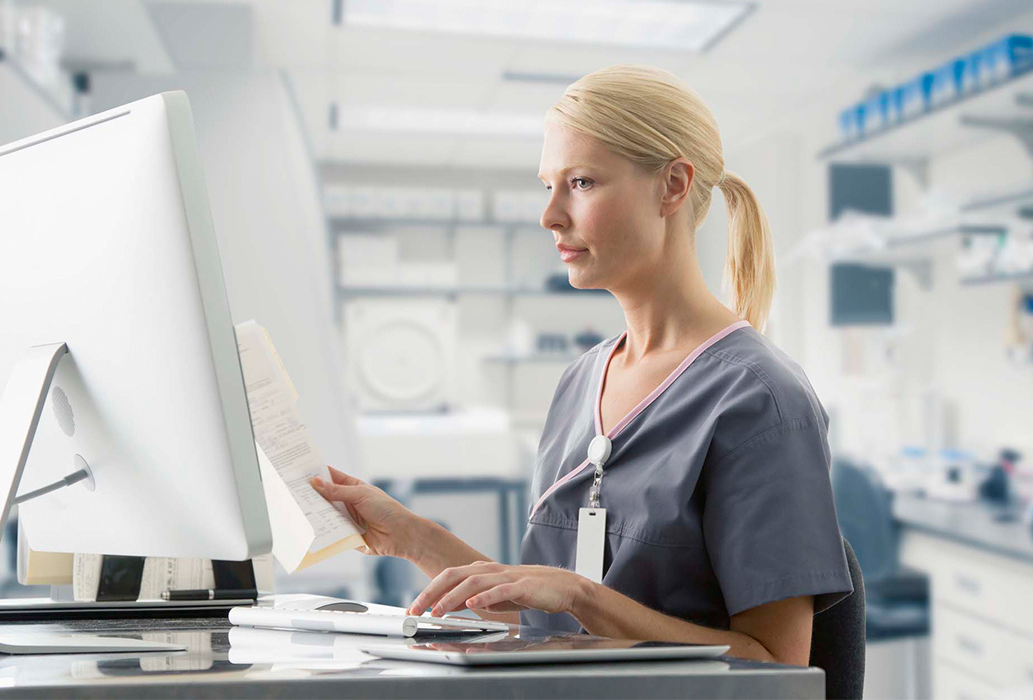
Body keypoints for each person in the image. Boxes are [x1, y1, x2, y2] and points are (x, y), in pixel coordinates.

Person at [311, 64, 851, 667]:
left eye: (582, 183)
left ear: (672, 186)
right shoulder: (580, 382)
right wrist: (413, 536)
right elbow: (548, 622)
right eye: (548, 185)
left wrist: (581, 595)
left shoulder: (759, 400)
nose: (550, 216)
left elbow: (777, 667)